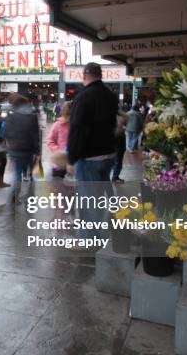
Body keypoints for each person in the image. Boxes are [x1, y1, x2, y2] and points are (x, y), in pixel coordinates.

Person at [67, 63, 118, 240]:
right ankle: (96, 233)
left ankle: (88, 238)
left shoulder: (84, 97)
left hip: (90, 157)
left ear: (84, 75)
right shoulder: (110, 95)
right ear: (100, 75)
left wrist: (70, 158)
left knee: (88, 199)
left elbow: (77, 130)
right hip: (109, 154)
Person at [3, 94, 40, 203]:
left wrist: (11, 144)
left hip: (14, 149)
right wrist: (37, 151)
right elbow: (35, 135)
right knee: (30, 173)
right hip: (28, 149)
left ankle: (14, 195)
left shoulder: (11, 115)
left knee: (17, 174)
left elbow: (6, 133)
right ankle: (30, 195)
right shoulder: (31, 115)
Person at [47, 101, 71, 178]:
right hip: (59, 164)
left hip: (73, 164)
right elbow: (50, 141)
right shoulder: (58, 125)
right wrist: (59, 151)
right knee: (58, 188)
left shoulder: (77, 125)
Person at [111, 110, 128, 184]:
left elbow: (126, 118)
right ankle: (115, 178)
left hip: (118, 143)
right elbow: (126, 118)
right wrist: (121, 129)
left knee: (117, 161)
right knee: (118, 161)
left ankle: (115, 177)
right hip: (117, 143)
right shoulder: (112, 117)